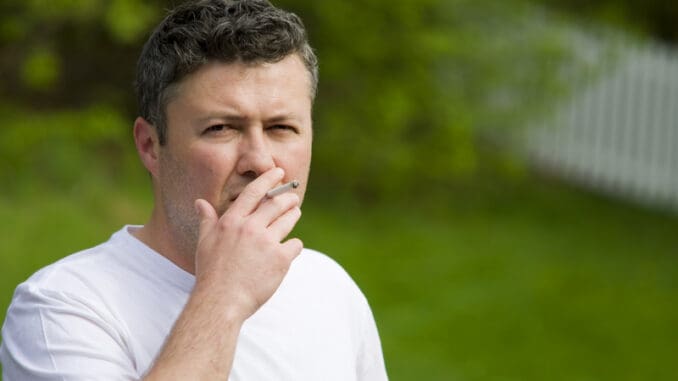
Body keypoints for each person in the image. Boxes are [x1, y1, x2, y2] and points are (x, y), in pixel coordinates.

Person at [0, 0, 388, 379]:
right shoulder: (63, 308)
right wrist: (225, 296)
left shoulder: (329, 287)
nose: (260, 161)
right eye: (221, 128)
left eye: (281, 128)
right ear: (151, 146)